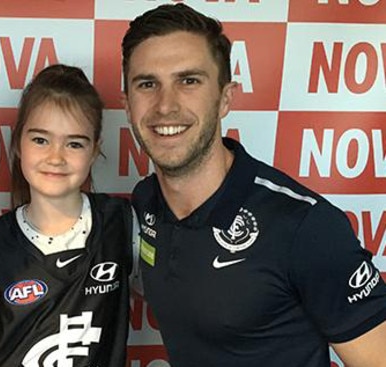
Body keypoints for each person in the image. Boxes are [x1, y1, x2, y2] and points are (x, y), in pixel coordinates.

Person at [122, 3, 386, 367]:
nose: (166, 106)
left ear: (225, 98)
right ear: (126, 104)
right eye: (148, 84)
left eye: (189, 81)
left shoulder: (304, 227)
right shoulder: (145, 202)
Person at [0, 64, 136, 366]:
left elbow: (178, 300)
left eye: (75, 143)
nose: (56, 157)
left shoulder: (123, 224)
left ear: (95, 151)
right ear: (17, 144)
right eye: (41, 140)